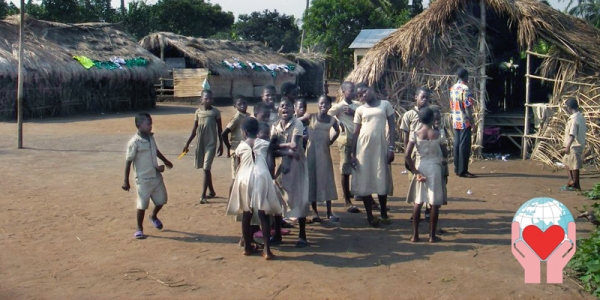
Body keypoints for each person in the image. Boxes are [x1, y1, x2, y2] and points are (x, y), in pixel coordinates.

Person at [226, 118, 283, 260]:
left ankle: (247, 248)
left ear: (244, 132)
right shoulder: (265, 144)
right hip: (261, 176)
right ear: (257, 131)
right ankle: (267, 250)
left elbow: (239, 165)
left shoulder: (240, 147)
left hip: (244, 178)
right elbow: (270, 162)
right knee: (263, 214)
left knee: (246, 213)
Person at [350, 83, 396, 227]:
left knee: (381, 177)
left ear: (371, 89)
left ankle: (383, 213)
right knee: (365, 180)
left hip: (380, 146)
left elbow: (392, 126)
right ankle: (370, 215)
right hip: (363, 148)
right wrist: (352, 153)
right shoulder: (360, 110)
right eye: (360, 95)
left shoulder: (385, 104)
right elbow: (356, 132)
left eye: (364, 91)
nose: (363, 95)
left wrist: (391, 148)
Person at [122, 113, 173, 239]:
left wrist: (165, 161)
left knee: (162, 200)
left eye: (151, 123)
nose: (151, 126)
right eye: (148, 123)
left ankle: (153, 215)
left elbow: (156, 151)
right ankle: (139, 228)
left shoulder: (151, 138)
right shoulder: (134, 143)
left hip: (155, 176)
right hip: (143, 179)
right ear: (139, 125)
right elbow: (128, 161)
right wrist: (126, 181)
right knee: (142, 204)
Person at [271, 98, 310, 247]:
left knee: (299, 199)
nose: (284, 108)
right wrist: (281, 149)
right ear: (278, 110)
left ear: (293, 110)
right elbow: (271, 150)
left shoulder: (297, 124)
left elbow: (294, 145)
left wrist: (277, 147)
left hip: (296, 166)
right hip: (281, 168)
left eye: (287, 106)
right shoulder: (275, 127)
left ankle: (302, 235)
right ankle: (277, 234)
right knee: (278, 200)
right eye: (282, 106)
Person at [405, 107, 448, 243]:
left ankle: (415, 235)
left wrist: (415, 171)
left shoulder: (415, 134)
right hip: (434, 168)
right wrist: (444, 160)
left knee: (418, 201)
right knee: (434, 203)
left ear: (419, 119)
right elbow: (445, 153)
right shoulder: (438, 134)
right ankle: (432, 235)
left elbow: (407, 155)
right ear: (432, 119)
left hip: (421, 167)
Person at [298, 95, 340, 222]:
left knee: (327, 179)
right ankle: (314, 211)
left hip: (324, 153)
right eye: (321, 103)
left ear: (330, 106)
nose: (323, 106)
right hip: (311, 153)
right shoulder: (311, 117)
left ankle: (329, 212)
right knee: (312, 179)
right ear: (318, 104)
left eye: (326, 104)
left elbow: (337, 131)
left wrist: (330, 141)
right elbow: (296, 122)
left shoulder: (332, 120)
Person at [183, 89, 223, 204]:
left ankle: (203, 195)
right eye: (206, 98)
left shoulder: (216, 112)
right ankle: (212, 191)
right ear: (201, 99)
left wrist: (221, 145)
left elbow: (220, 130)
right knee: (206, 168)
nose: (209, 100)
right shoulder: (198, 112)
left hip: (211, 143)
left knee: (206, 168)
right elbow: (194, 129)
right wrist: (187, 143)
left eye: (210, 98)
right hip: (201, 143)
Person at [328, 81, 361, 213]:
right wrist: (338, 123)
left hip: (358, 141)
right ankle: (347, 201)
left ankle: (364, 196)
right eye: (350, 90)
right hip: (346, 141)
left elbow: (364, 117)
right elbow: (326, 115)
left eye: (354, 90)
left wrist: (354, 112)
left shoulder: (357, 106)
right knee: (345, 169)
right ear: (343, 92)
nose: (353, 92)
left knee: (360, 168)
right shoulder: (339, 107)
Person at [401, 87, 431, 222]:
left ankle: (428, 210)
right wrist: (406, 155)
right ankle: (416, 211)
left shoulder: (431, 114)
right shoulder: (408, 115)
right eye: (422, 97)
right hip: (413, 155)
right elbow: (405, 137)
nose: (425, 100)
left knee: (429, 181)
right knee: (415, 182)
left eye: (427, 98)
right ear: (416, 97)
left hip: (428, 154)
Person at [449, 68, 476, 178]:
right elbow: (468, 108)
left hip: (456, 119)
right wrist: (472, 123)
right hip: (464, 120)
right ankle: (463, 170)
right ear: (465, 76)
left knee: (457, 144)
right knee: (464, 145)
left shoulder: (453, 88)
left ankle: (456, 168)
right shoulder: (465, 89)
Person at [222, 95, 250, 193]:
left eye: (244, 103)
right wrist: (229, 148)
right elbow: (224, 134)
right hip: (236, 150)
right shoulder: (237, 118)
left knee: (243, 176)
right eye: (239, 104)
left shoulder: (248, 116)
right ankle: (230, 202)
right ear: (235, 106)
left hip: (245, 151)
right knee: (235, 178)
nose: (242, 106)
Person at [561, 98, 587, 191]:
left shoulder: (574, 119)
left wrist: (567, 146)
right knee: (568, 163)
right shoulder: (580, 116)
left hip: (573, 145)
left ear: (569, 107)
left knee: (573, 165)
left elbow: (572, 134)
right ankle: (573, 182)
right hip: (578, 144)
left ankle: (574, 182)